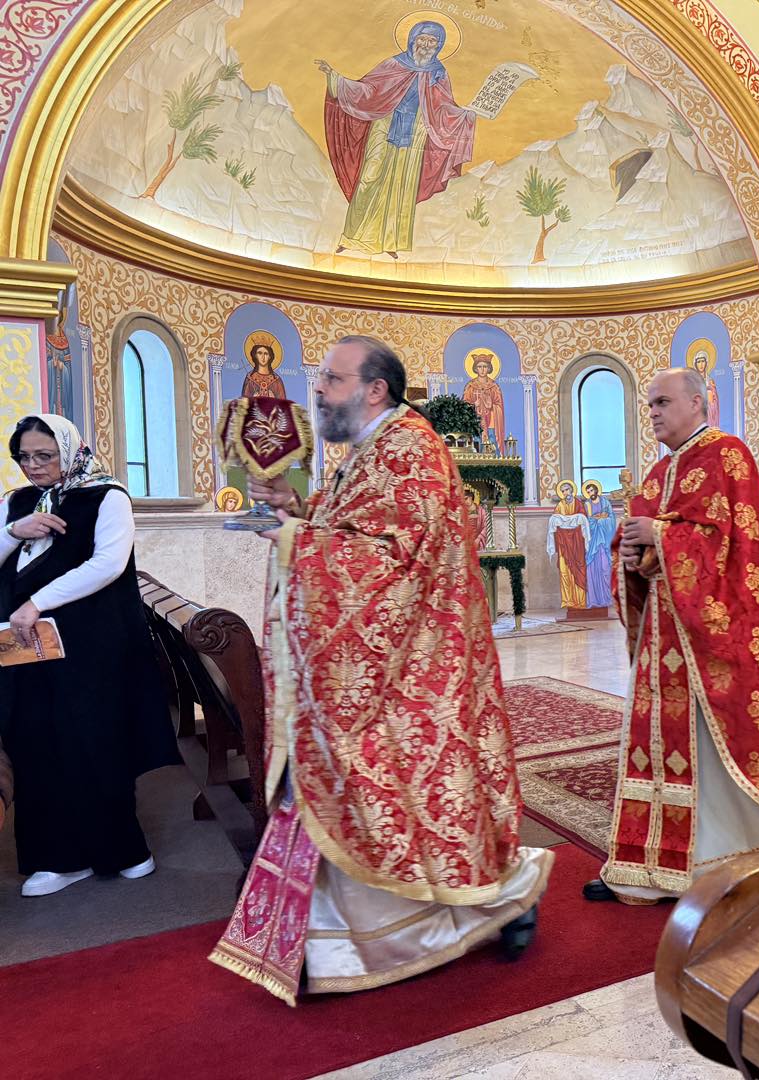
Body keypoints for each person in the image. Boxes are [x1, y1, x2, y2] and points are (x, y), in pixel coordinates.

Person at [210, 336, 551, 1004]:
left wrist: (295, 540)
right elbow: (352, 532)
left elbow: (392, 560)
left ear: (375, 389)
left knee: (411, 792)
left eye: (333, 379)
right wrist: (293, 511)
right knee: (376, 790)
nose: (319, 390)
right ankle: (336, 941)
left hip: (414, 664)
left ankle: (497, 898)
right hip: (387, 662)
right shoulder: (368, 450)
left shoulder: (409, 448)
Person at [584, 368, 759, 903]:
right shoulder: (658, 472)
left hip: (715, 636)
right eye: (650, 404)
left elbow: (739, 546)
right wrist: (633, 550)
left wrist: (661, 534)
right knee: (663, 747)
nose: (653, 413)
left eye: (662, 402)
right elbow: (644, 549)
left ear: (697, 402)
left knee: (723, 744)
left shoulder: (726, 455)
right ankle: (656, 863)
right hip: (665, 639)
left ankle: (741, 855)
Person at [1, 414, 177, 896]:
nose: (33, 466)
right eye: (24, 457)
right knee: (34, 743)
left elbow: (107, 565)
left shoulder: (107, 496)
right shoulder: (17, 502)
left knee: (95, 742)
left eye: (44, 456)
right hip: (27, 649)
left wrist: (38, 601)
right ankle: (58, 859)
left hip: (92, 646)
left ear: (69, 450)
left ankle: (125, 850)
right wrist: (15, 531)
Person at [319, 22, 481, 257]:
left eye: (432, 41)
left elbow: (443, 108)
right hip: (384, 124)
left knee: (401, 185)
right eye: (422, 39)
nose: (426, 45)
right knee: (369, 177)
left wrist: (466, 115)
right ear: (412, 39)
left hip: (415, 134)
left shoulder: (439, 73)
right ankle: (352, 237)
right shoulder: (393, 64)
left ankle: (390, 242)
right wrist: (336, 78)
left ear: (439, 46)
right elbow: (368, 91)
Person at [547, 481, 590, 610]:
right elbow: (555, 522)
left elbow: (584, 520)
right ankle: (568, 600)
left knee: (579, 569)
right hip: (564, 544)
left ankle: (580, 600)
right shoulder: (560, 505)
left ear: (572, 490)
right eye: (563, 491)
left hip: (577, 543)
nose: (565, 493)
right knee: (564, 571)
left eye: (567, 490)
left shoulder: (579, 504)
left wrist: (571, 519)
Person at [582, 479, 616, 609]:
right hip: (593, 542)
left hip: (604, 542)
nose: (590, 493)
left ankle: (607, 598)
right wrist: (599, 519)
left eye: (592, 490)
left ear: (596, 490)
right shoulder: (587, 504)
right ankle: (594, 599)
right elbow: (588, 521)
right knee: (593, 569)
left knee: (605, 568)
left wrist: (601, 520)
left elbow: (611, 518)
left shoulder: (605, 502)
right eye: (588, 491)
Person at [462, 349, 505, 448]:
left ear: (489, 368)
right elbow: (463, 406)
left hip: (491, 422)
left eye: (485, 367)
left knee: (491, 443)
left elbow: (499, 406)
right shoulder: (470, 386)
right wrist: (473, 405)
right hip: (475, 422)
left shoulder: (494, 387)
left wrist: (491, 406)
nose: (482, 369)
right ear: (475, 368)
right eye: (479, 367)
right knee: (476, 444)